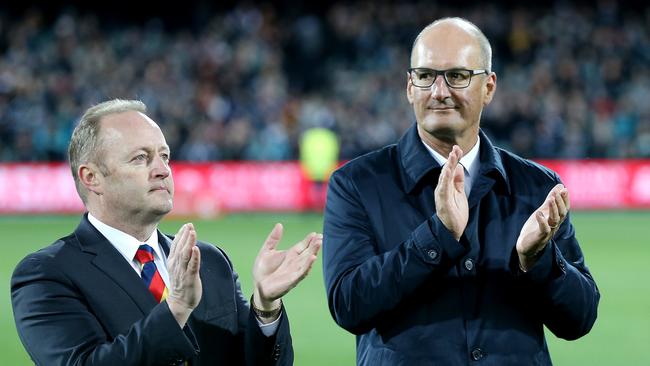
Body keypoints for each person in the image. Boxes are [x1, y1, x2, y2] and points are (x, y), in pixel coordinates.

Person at [323, 17, 599, 365]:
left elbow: (580, 319)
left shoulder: (538, 187)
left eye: (457, 76)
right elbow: (349, 306)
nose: (439, 91)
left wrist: (538, 261)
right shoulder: (357, 184)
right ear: (410, 87)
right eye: (425, 76)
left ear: (489, 87)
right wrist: (438, 237)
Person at [11, 99, 322, 366]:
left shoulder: (211, 261)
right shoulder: (46, 274)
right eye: (141, 158)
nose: (162, 169)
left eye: (164, 156)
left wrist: (265, 308)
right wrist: (176, 309)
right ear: (92, 177)